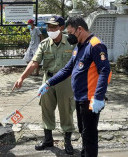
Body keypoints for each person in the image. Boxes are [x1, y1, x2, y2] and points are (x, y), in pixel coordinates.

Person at [38, 16, 112, 157]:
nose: (69, 36)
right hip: (79, 97)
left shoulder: (96, 45)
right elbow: (68, 69)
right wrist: (48, 82)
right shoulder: (79, 46)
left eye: (70, 33)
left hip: (91, 99)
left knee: (89, 135)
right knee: (83, 131)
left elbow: (105, 71)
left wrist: (99, 97)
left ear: (80, 29)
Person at [13, 16, 75, 155]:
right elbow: (35, 62)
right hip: (48, 80)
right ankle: (48, 140)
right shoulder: (45, 44)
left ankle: (68, 141)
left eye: (53, 27)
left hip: (66, 81)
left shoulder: (71, 43)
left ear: (61, 28)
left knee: (66, 111)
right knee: (46, 109)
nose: (50, 30)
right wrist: (22, 77)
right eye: (48, 27)